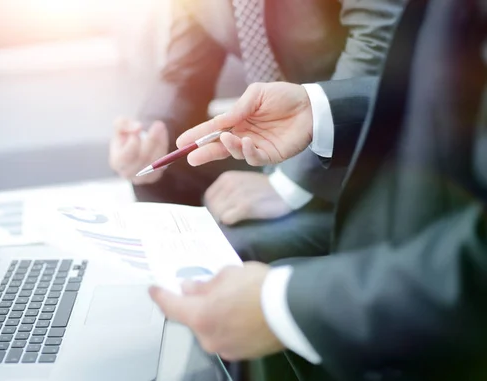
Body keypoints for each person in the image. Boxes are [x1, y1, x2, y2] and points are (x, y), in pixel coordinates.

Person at [149, 0, 487, 379]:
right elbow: (442, 86)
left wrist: (279, 305)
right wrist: (319, 109)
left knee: (242, 256)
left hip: (415, 234)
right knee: (172, 185)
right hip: (364, 162)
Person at [109, 0, 406, 262]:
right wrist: (148, 135)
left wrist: (290, 184)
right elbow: (184, 73)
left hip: (362, 150)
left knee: (229, 247)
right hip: (272, 138)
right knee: (162, 176)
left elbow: (380, 48)